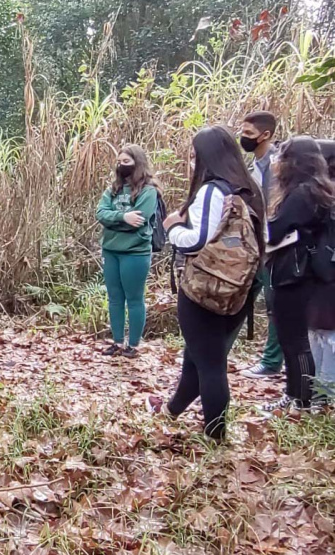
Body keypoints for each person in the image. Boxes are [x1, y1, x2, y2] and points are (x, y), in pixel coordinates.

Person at [152, 126, 265, 440]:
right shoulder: (250, 188)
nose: (191, 161)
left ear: (206, 157)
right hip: (240, 287)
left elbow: (197, 242)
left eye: (193, 155)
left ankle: (215, 435)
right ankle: (172, 409)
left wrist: (173, 227)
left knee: (211, 364)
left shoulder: (212, 191)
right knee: (202, 355)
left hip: (205, 288)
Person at [261, 136, 335, 412]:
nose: (276, 163)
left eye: (281, 157)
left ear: (293, 162)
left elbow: (275, 231)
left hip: (294, 273)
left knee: (294, 340)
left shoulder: (302, 194)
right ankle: (295, 395)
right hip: (303, 273)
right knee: (294, 339)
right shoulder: (317, 190)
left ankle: (300, 398)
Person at [95, 145, 159, 358]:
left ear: (137, 163)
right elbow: (101, 213)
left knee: (134, 297)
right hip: (111, 249)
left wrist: (113, 221)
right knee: (114, 298)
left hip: (135, 252)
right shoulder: (112, 190)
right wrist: (122, 218)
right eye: (119, 161)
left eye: (126, 162)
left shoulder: (148, 191)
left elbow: (140, 218)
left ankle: (133, 345)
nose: (121, 165)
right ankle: (117, 342)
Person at [239, 111, 285, 379]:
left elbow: (276, 208)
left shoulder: (277, 166)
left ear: (265, 135)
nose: (243, 138)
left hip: (276, 246)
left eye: (248, 134)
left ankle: (272, 361)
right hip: (257, 244)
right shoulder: (255, 165)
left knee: (275, 303)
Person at [312, 139, 335, 402]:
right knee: (316, 332)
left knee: (329, 336)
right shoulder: (320, 194)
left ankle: (325, 395)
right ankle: (316, 391)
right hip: (319, 274)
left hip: (329, 275)